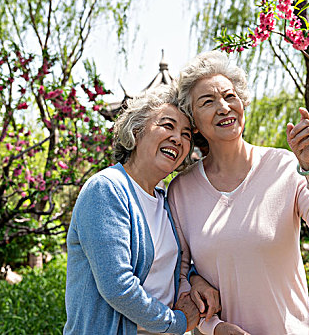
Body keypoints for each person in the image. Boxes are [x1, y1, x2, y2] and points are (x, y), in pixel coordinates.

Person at [167, 51, 309, 335]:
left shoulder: (285, 166)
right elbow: (178, 276)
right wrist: (215, 327)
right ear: (192, 122)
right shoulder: (182, 189)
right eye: (207, 102)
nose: (223, 107)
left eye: (230, 96)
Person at [64, 87, 219, 335]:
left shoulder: (165, 200)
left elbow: (173, 266)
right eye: (168, 125)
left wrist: (194, 279)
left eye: (186, 134)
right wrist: (176, 323)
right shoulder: (106, 190)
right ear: (136, 130)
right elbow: (118, 286)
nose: (178, 139)